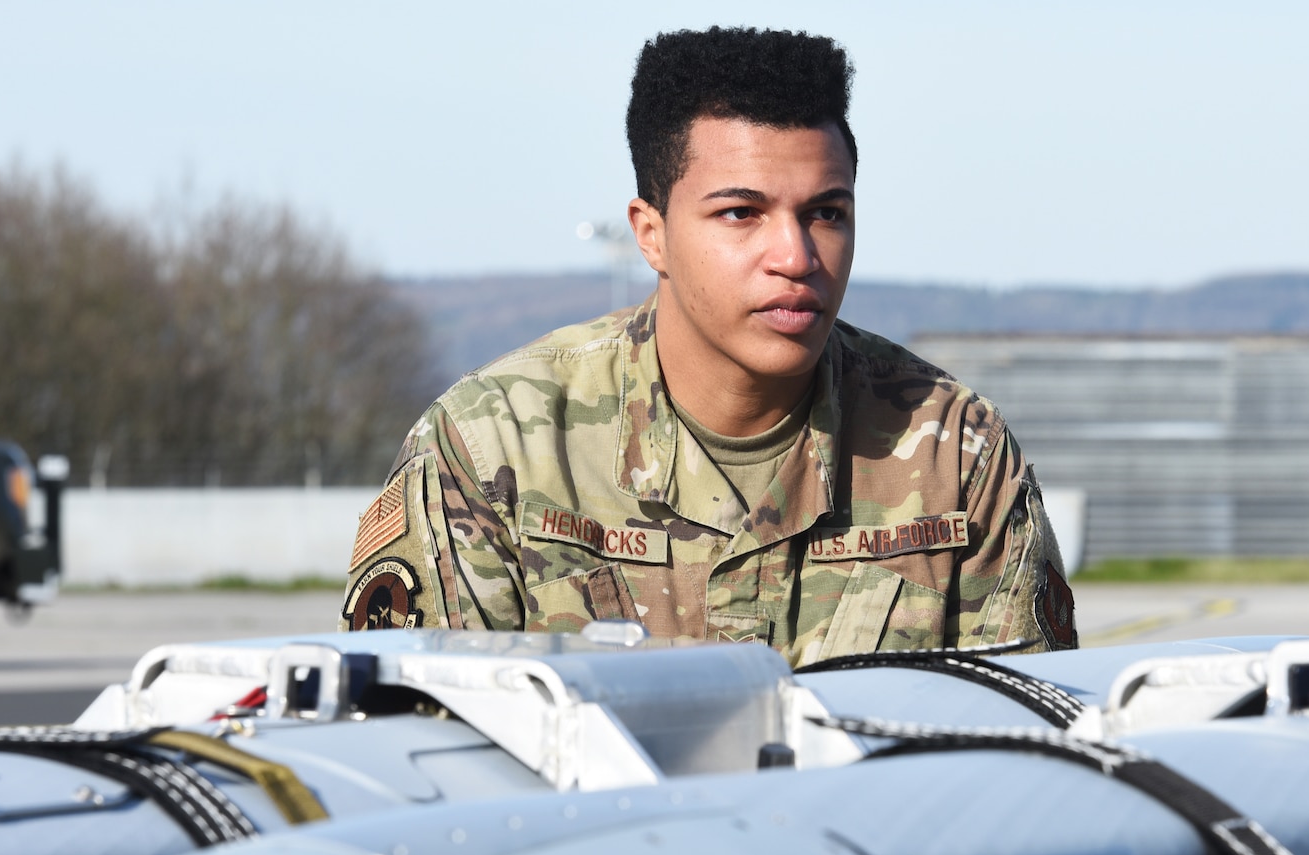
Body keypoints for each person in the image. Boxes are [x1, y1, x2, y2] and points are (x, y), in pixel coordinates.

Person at [342, 26, 1077, 663]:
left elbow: (1025, 753)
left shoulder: (953, 453)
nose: (795, 255)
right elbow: (420, 748)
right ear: (650, 232)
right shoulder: (497, 447)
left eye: (826, 212)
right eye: (740, 213)